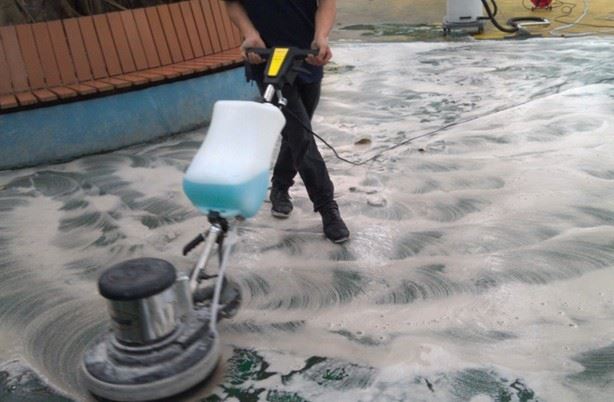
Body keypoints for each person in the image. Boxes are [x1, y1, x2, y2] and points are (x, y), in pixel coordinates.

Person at [223, 0, 350, 244]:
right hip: (267, 60)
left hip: (308, 57)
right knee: (300, 136)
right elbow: (233, 3)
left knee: (296, 134)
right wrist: (250, 34)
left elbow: (326, 3)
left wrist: (321, 36)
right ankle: (327, 207)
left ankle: (280, 186)